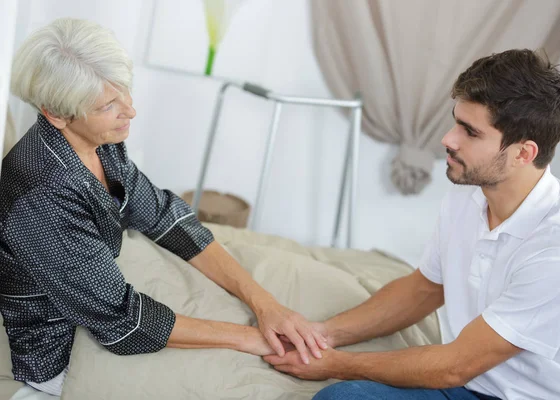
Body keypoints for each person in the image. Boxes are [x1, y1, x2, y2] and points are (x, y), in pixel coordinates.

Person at [0, 18, 326, 397]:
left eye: (125, 92)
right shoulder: (41, 197)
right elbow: (124, 322)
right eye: (109, 105)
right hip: (60, 348)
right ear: (56, 114)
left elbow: (164, 216)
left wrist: (264, 302)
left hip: (104, 299)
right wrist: (249, 338)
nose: (130, 111)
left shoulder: (100, 142)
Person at [264, 49, 560, 400]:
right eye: (456, 121)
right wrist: (321, 336)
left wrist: (334, 363)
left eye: (470, 132)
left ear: (522, 154)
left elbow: (455, 365)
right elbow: (425, 288)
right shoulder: (469, 191)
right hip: (467, 384)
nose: (448, 139)